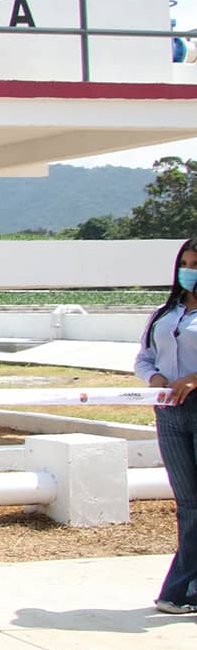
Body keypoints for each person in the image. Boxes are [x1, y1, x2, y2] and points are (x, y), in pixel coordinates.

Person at [134, 235, 197, 614]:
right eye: (185, 265)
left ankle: (180, 589)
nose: (189, 272)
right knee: (188, 503)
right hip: (169, 412)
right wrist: (154, 379)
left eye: (195, 265)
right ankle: (183, 588)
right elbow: (144, 358)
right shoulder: (164, 312)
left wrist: (194, 378)